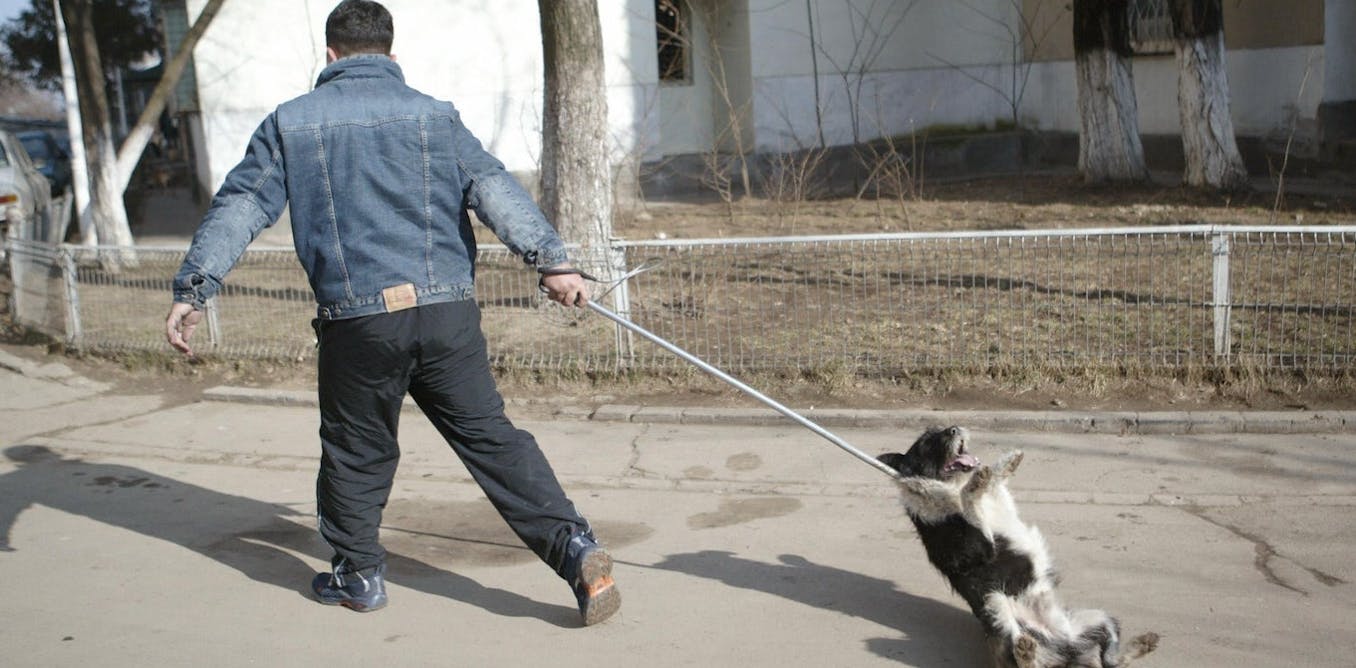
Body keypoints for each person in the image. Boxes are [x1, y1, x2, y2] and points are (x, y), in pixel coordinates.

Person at [163, 0, 619, 626]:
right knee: (493, 441)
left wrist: (194, 289)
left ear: (330, 56)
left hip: (359, 323)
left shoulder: (291, 123)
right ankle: (576, 551)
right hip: (446, 316)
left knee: (357, 449)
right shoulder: (435, 116)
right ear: (392, 54)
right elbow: (493, 187)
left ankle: (359, 577)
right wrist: (553, 261)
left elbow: (241, 206)